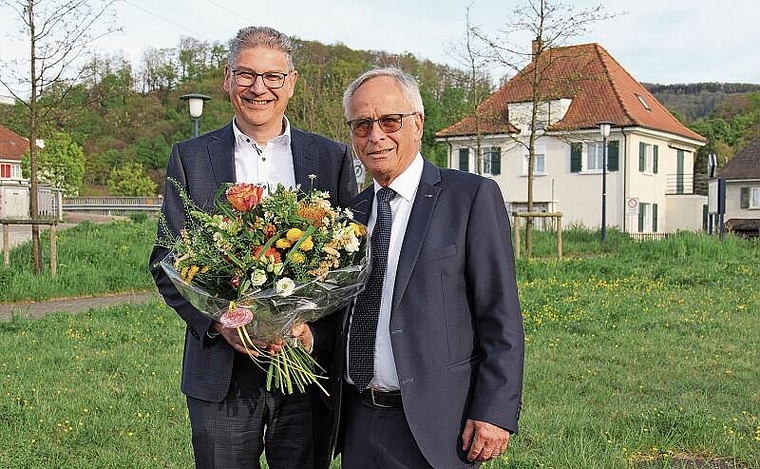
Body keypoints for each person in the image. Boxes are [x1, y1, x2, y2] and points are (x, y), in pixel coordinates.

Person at [148, 26, 357, 469]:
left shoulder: (331, 157)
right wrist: (219, 322)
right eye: (246, 74)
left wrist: (309, 331)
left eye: (273, 76)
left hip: (305, 375)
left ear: (292, 82)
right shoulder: (190, 156)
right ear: (227, 79)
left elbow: (349, 257)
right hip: (220, 378)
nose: (258, 88)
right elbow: (165, 261)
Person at [332, 67, 525, 468]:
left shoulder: (469, 198)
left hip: (439, 426)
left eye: (389, 121)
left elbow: (500, 314)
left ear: (417, 123)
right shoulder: (348, 216)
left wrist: (495, 411)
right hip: (357, 420)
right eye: (362, 124)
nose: (376, 136)